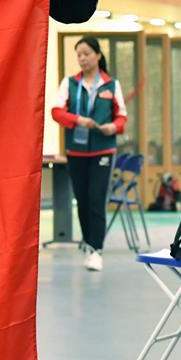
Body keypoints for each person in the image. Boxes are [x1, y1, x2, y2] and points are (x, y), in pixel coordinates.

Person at [51, 36, 128, 270]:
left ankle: (96, 250)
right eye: (79, 55)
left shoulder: (111, 85)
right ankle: (89, 241)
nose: (82, 59)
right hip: (76, 151)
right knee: (82, 201)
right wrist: (77, 120)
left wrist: (112, 127)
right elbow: (56, 112)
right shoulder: (69, 83)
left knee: (96, 200)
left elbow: (122, 118)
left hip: (103, 150)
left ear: (98, 55)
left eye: (86, 54)